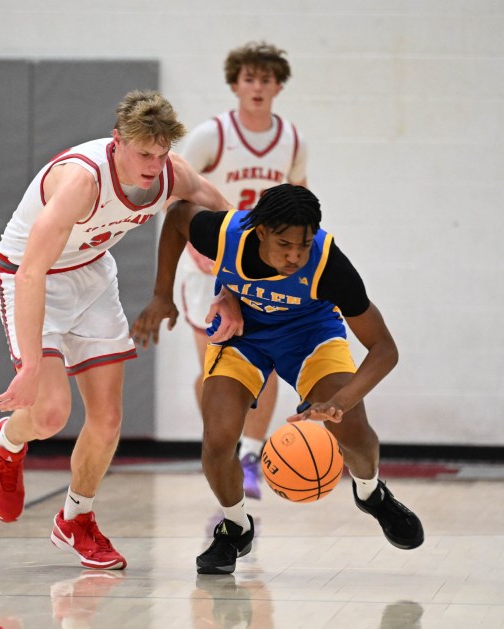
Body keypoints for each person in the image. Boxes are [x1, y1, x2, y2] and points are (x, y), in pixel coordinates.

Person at [0, 90, 232, 571]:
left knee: (108, 419)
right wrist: (32, 365)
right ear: (118, 142)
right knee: (51, 413)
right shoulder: (82, 180)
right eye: (144, 153)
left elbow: (229, 220)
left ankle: (76, 518)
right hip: (30, 278)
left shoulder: (171, 173)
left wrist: (228, 276)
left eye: (161, 155)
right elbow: (32, 271)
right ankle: (7, 442)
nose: (153, 165)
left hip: (92, 275)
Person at [132, 184, 424, 574]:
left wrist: (341, 401)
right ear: (261, 231)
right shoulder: (226, 234)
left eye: (303, 245)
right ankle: (235, 528)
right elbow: (177, 218)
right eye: (285, 244)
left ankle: (370, 493)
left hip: (310, 334)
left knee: (352, 429)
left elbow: (385, 348)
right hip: (244, 334)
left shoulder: (328, 264)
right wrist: (160, 294)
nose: (294, 256)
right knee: (218, 438)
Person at [177, 42, 308, 500]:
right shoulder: (210, 136)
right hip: (207, 267)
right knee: (218, 370)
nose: (258, 87)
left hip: (262, 271)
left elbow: (300, 204)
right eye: (249, 78)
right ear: (235, 84)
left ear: (278, 86)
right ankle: (224, 443)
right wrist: (199, 251)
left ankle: (250, 454)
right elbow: (176, 196)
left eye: (266, 79)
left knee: (265, 369)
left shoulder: (291, 140)